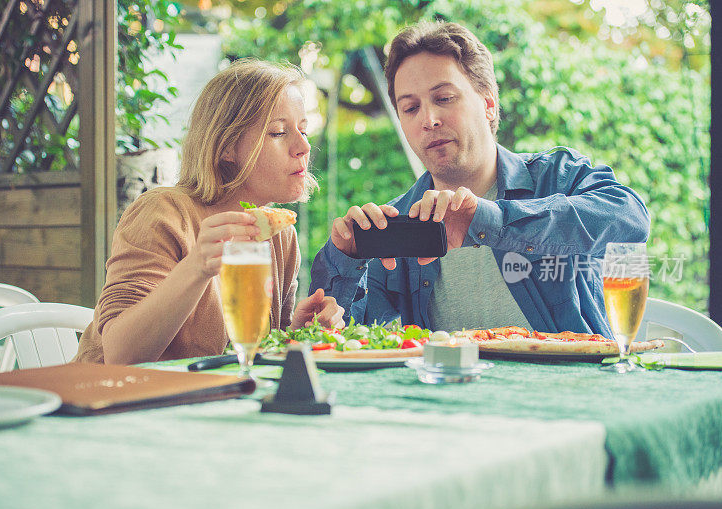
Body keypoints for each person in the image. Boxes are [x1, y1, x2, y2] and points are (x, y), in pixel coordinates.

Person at [309, 21, 650, 337]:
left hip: (570, 390)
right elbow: (358, 340)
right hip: (449, 398)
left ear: (488, 103)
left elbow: (630, 219)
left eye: (444, 98)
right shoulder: (397, 224)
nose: (429, 119)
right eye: (410, 108)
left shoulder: (557, 176)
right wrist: (347, 259)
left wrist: (485, 219)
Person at [76, 59, 345, 365]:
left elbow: (253, 359)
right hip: (114, 401)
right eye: (278, 133)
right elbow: (120, 355)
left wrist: (295, 333)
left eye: (303, 131)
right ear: (226, 146)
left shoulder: (281, 238)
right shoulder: (161, 213)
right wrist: (197, 267)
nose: (303, 147)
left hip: (206, 402)